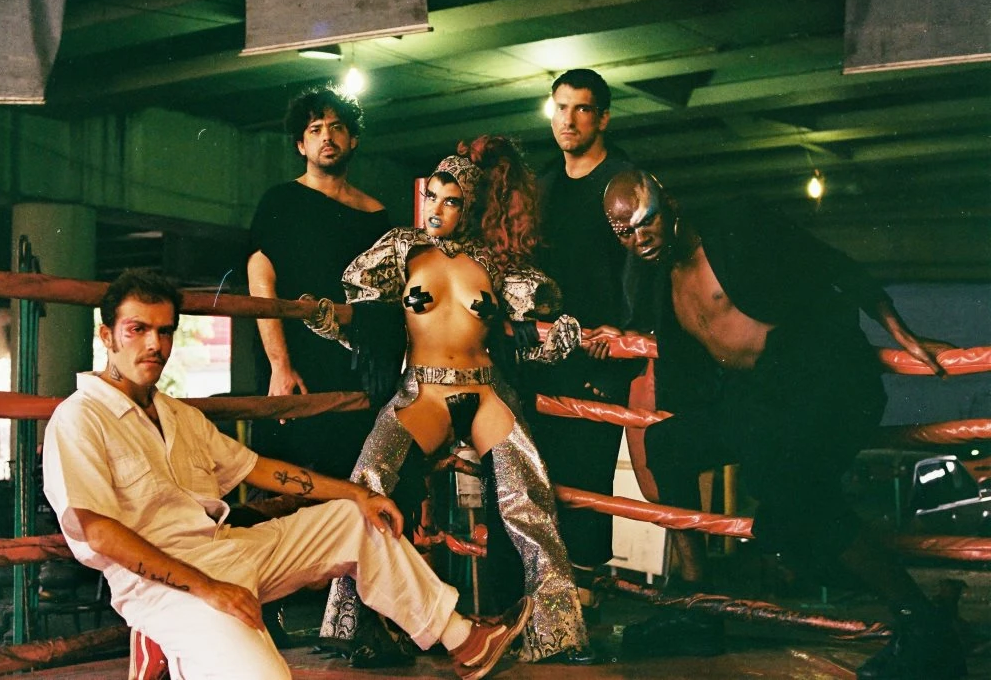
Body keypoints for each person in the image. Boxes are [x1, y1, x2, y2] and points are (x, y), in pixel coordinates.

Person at [42, 269, 532, 680]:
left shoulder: (176, 415)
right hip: (166, 588)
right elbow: (98, 531)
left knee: (355, 520)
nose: (154, 344)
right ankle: (170, 641)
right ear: (106, 336)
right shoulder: (80, 418)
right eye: (137, 329)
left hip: (228, 550)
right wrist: (208, 588)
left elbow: (259, 469)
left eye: (165, 331)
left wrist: (357, 495)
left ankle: (464, 641)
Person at [602, 171, 965, 679]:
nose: (639, 238)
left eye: (646, 221)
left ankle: (922, 622)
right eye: (624, 231)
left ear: (670, 204)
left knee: (787, 494)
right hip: (756, 398)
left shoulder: (736, 225)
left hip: (820, 384)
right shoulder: (659, 278)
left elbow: (833, 263)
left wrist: (901, 331)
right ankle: (697, 606)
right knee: (668, 444)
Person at [304, 137, 591, 664]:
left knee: (527, 495)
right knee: (369, 483)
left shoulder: (495, 262)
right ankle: (356, 625)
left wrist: (558, 339)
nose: (436, 209)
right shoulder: (400, 250)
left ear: (470, 208)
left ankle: (557, 633)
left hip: (484, 388)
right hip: (424, 391)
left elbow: (525, 340)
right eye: (431, 196)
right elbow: (368, 328)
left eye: (451, 200)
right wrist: (328, 323)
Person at [525, 68, 644, 612]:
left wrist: (625, 333)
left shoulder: (624, 181)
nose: (568, 120)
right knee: (540, 474)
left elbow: (646, 262)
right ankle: (543, 595)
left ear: (603, 118)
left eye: (581, 109)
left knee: (589, 476)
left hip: (600, 356)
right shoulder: (542, 185)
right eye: (560, 107)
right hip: (543, 354)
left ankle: (585, 600)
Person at [247, 84, 389, 480]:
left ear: (353, 139)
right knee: (288, 481)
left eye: (336, 127)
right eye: (315, 129)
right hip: (295, 360)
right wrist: (280, 365)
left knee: (354, 478)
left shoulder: (376, 214)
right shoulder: (281, 201)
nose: (327, 136)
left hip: (355, 368)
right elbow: (260, 276)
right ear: (301, 144)